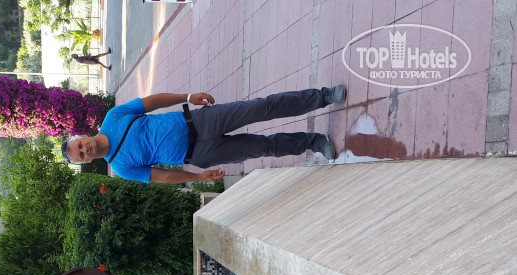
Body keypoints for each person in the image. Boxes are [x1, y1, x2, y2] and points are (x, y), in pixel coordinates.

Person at [61, 86, 347, 184]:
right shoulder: (122, 168)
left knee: (261, 108)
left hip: (200, 121)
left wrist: (188, 97)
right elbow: (163, 176)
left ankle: (323, 96)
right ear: (86, 163)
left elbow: (152, 102)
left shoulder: (113, 118)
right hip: (199, 154)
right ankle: (315, 142)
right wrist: (198, 177)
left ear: (81, 136)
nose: (86, 150)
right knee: (264, 148)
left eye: (80, 145)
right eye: (82, 155)